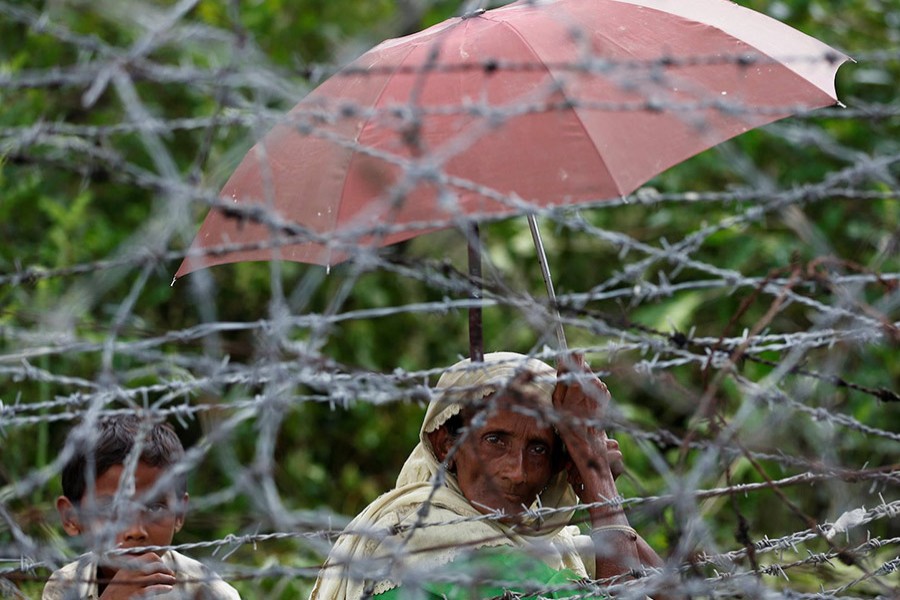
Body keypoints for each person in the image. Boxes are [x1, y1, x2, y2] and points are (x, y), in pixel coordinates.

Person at [309, 352, 669, 600]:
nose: (517, 471)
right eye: (495, 440)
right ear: (446, 443)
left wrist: (591, 472)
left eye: (539, 449)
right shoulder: (433, 537)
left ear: (560, 462)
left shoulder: (547, 544)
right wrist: (599, 478)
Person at [43, 414, 241, 600]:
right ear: (72, 517)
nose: (136, 531)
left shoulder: (208, 592)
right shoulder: (65, 586)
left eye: (155, 508)